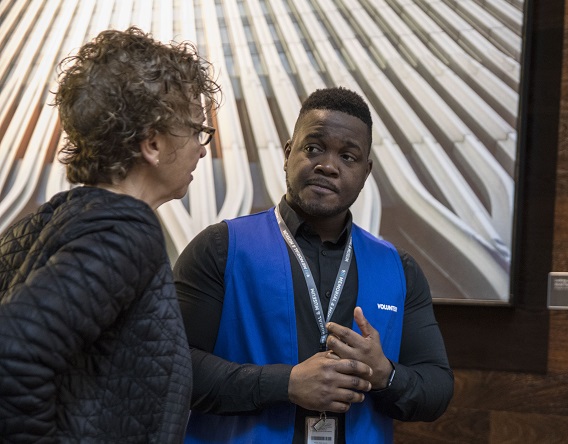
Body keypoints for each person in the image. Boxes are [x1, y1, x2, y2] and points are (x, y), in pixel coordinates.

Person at [175, 86, 454, 443]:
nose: (328, 166)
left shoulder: (400, 269)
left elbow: (437, 388)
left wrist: (384, 374)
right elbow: (172, 367)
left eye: (348, 156)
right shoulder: (220, 247)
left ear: (366, 172)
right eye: (313, 148)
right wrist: (285, 384)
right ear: (288, 153)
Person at [0, 27, 220, 442]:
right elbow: (12, 358)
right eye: (197, 130)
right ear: (152, 143)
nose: (203, 148)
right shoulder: (125, 231)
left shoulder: (39, 224)